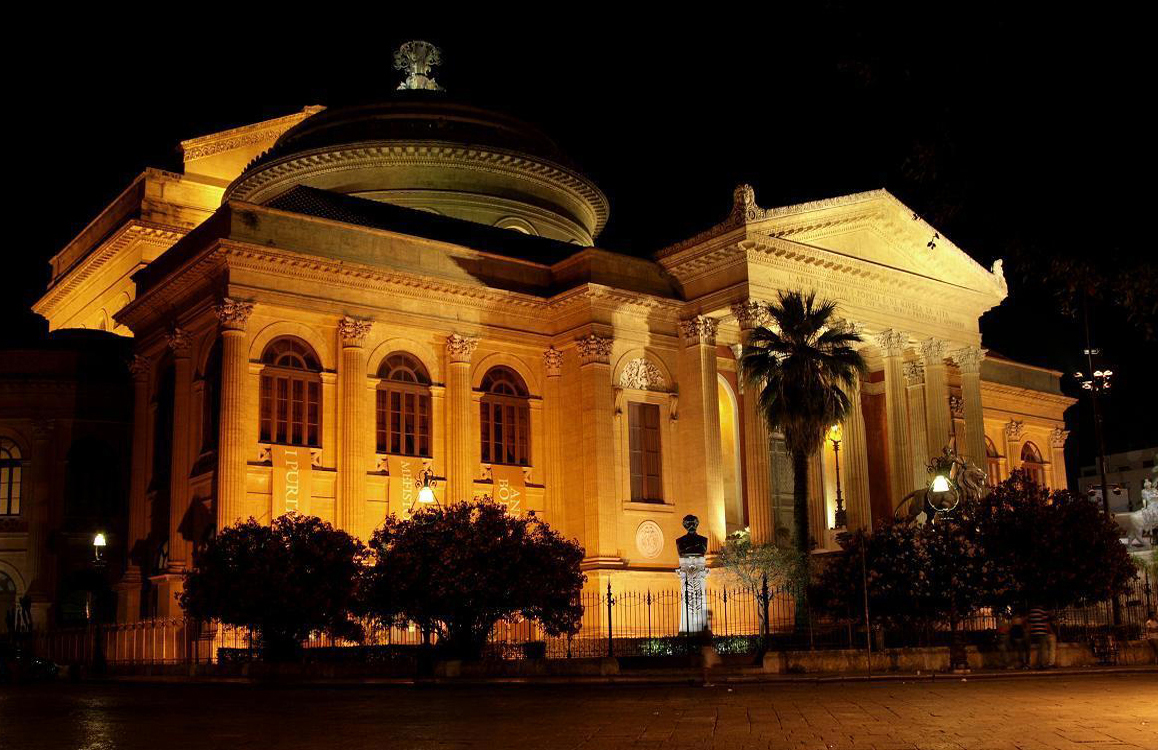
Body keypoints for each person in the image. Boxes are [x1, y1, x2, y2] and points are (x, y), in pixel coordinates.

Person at [1027, 605, 1054, 669]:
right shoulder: (1042, 611)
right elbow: (1046, 623)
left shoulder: (1031, 612)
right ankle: (1041, 664)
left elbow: (1030, 624)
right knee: (1043, 648)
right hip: (1041, 632)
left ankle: (1037, 663)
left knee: (1039, 648)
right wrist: (1051, 632)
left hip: (1033, 633)